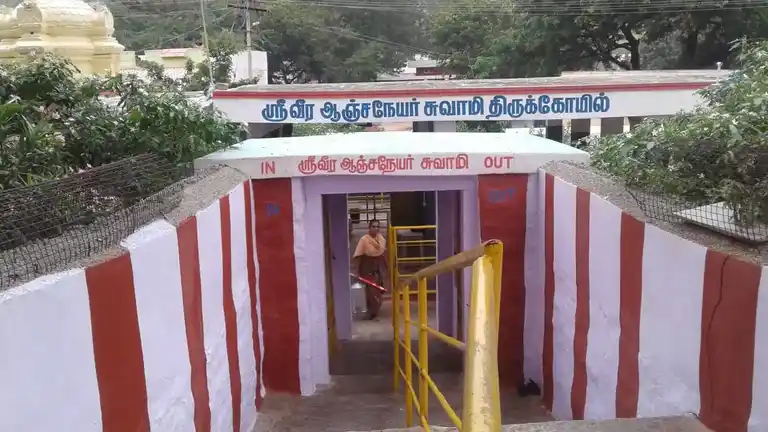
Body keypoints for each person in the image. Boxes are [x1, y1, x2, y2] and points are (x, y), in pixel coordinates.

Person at [351, 219, 389, 320]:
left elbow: (383, 255)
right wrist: (356, 270)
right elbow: (358, 255)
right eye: (373, 226)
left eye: (377, 227)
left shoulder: (381, 239)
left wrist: (386, 268)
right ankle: (372, 312)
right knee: (370, 290)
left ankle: (375, 309)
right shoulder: (364, 240)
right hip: (367, 267)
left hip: (379, 268)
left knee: (378, 290)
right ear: (369, 228)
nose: (376, 229)